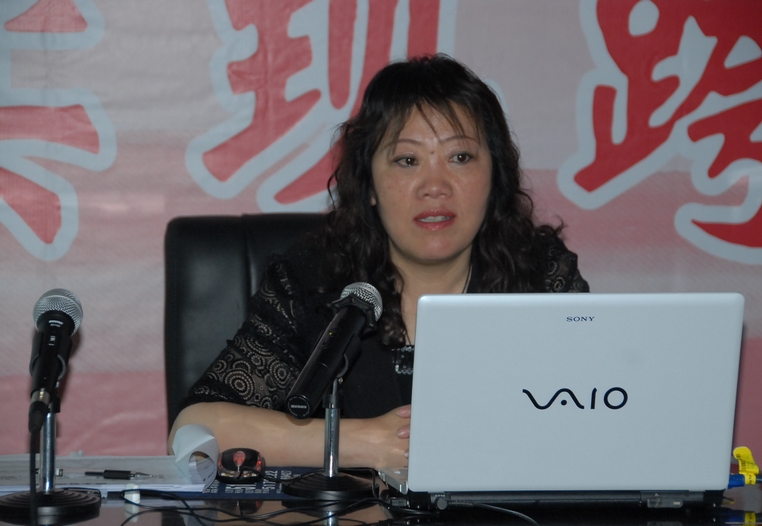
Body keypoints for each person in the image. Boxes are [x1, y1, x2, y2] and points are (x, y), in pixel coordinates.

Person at [168, 54, 588, 470]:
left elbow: (599, 419)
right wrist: (364, 443)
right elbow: (194, 429)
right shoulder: (317, 281)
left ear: (495, 175)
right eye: (407, 161)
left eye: (460, 157)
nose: (435, 186)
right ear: (369, 185)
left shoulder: (539, 274)